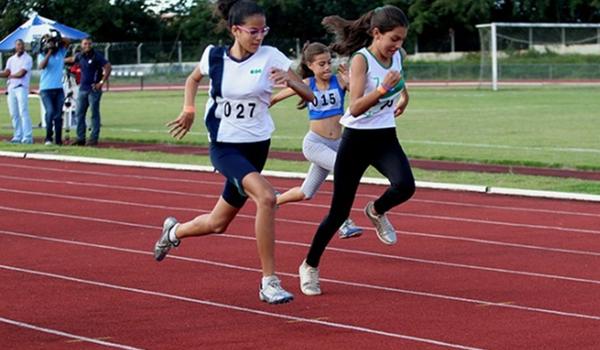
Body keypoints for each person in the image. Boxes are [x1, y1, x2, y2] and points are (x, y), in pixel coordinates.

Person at [153, 0, 314, 304]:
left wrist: (290, 80)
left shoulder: (272, 56)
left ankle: (173, 233)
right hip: (225, 147)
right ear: (235, 30)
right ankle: (269, 282)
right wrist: (188, 108)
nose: (259, 37)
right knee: (266, 197)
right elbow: (193, 79)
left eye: (263, 30)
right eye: (253, 31)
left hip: (257, 148)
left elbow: (309, 94)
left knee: (218, 223)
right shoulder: (214, 56)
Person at [298, 5, 415, 296]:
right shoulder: (361, 61)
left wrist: (403, 96)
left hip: (385, 136)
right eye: (394, 39)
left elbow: (398, 81)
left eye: (402, 40)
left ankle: (376, 210)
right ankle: (309, 265)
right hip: (356, 140)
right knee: (338, 213)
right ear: (376, 33)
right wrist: (381, 91)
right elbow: (355, 107)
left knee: (405, 186)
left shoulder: (397, 56)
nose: (398, 45)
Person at [270, 42, 363, 239]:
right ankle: (344, 221)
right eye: (321, 64)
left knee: (306, 192)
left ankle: (274, 200)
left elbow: (360, 96)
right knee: (343, 171)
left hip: (337, 143)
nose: (327, 67)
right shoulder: (306, 84)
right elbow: (276, 98)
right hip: (315, 144)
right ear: (310, 65)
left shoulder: (340, 81)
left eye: (329, 62)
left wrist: (351, 81)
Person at [65, 37, 111, 146]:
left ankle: (93, 138)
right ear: (81, 45)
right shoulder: (80, 56)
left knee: (94, 114)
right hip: (82, 89)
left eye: (89, 44)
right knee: (79, 113)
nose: (87, 46)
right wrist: (59, 59)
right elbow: (72, 59)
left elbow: (108, 67)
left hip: (93, 89)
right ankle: (80, 138)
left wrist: (101, 82)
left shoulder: (96, 56)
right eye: (85, 44)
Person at [38, 30, 68, 145]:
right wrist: (49, 52)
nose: (51, 44)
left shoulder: (60, 53)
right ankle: (48, 137)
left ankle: (59, 139)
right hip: (46, 89)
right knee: (50, 112)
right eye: (48, 42)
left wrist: (57, 37)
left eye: (52, 42)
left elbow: (68, 41)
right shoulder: (41, 55)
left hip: (58, 88)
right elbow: (42, 66)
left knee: (58, 114)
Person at [0, 39, 33, 144]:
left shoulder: (28, 58)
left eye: (22, 45)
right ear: (15, 46)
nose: (20, 47)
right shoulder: (11, 59)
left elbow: (21, 73)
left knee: (23, 112)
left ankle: (27, 137)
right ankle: (17, 136)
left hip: (21, 87)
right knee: (14, 113)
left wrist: (10, 76)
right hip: (11, 88)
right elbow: (6, 72)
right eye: (18, 45)